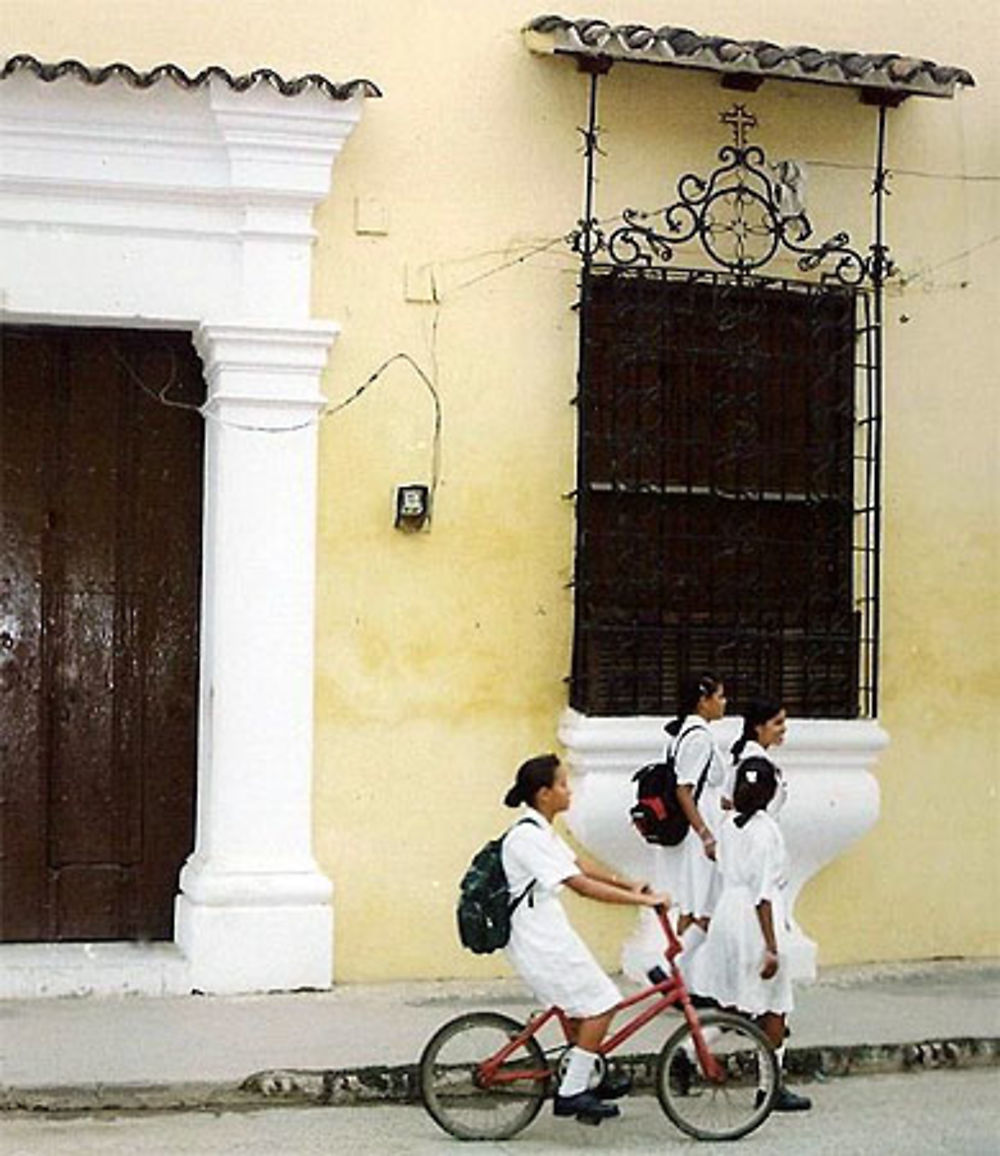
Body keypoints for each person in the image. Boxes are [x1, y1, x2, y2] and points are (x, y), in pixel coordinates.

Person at [502, 753, 671, 1122]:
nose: (569, 790)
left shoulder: (540, 830)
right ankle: (572, 1092)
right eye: (563, 784)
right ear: (544, 794)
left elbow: (579, 865)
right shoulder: (527, 839)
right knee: (603, 1003)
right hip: (538, 942)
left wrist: (629, 882)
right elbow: (580, 886)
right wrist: (642, 900)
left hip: (550, 935)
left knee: (588, 1005)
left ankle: (588, 1074)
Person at [688, 756, 812, 1111]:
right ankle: (769, 1085)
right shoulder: (766, 830)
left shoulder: (730, 825)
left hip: (728, 912)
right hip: (754, 921)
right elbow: (763, 894)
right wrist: (772, 946)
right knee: (774, 1007)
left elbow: (721, 860)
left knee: (734, 1000)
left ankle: (696, 1043)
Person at [662, 673, 729, 939]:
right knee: (700, 906)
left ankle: (687, 969)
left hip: (701, 822)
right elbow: (684, 789)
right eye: (720, 696)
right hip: (699, 831)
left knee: (693, 901)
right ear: (703, 701)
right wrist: (705, 834)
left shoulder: (684, 733)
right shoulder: (699, 737)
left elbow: (702, 785)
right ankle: (690, 971)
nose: (724, 702)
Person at [725, 696, 789, 817]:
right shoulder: (754, 763)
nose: (784, 729)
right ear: (758, 727)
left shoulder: (747, 756)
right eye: (778, 723)